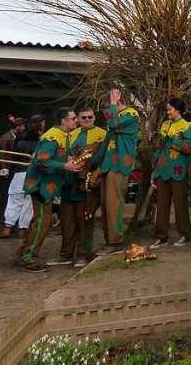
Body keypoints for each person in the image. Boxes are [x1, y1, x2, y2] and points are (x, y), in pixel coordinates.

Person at [19, 108, 81, 271]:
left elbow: (54, 157)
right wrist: (64, 165)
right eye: (73, 118)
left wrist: (66, 160)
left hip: (46, 186)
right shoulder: (53, 137)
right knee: (42, 223)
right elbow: (41, 161)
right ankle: (29, 258)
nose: (76, 121)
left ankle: (25, 251)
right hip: (40, 186)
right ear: (63, 121)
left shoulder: (63, 135)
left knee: (39, 221)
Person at [52, 108, 106, 268]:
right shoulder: (71, 134)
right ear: (78, 119)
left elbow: (103, 158)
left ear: (94, 118)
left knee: (84, 220)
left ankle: (84, 254)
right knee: (67, 221)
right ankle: (66, 254)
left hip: (87, 185)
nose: (87, 119)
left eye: (90, 117)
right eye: (83, 117)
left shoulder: (102, 134)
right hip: (68, 184)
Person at [97, 88, 141, 250]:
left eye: (106, 107)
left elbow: (113, 124)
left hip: (120, 165)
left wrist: (113, 104)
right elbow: (108, 140)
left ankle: (116, 240)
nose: (105, 112)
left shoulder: (131, 114)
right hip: (108, 165)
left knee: (114, 203)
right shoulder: (114, 115)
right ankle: (109, 239)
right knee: (106, 204)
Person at [150, 97, 191, 248]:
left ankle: (185, 234)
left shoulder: (186, 126)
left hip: (178, 170)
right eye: (167, 109)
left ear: (178, 110)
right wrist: (154, 171)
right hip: (162, 170)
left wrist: (174, 140)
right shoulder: (165, 125)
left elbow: (189, 148)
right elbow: (160, 148)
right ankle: (161, 237)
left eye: (170, 109)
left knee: (180, 204)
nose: (168, 112)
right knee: (162, 204)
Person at [1, 116, 43, 240]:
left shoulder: (19, 142)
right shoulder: (40, 144)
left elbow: (13, 160)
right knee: (28, 203)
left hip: (19, 173)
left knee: (14, 201)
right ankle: (22, 229)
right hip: (33, 175)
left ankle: (7, 227)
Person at [0, 116, 26, 226]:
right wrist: (4, 168)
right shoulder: (6, 138)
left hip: (12, 169)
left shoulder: (15, 137)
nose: (23, 128)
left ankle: (5, 218)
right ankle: (1, 217)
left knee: (9, 194)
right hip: (7, 169)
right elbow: (2, 155)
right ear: (17, 127)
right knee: (5, 195)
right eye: (22, 126)